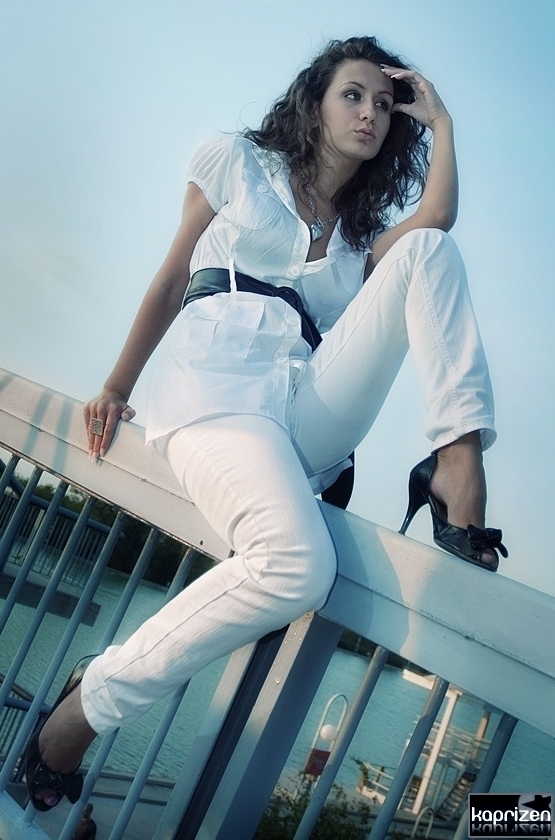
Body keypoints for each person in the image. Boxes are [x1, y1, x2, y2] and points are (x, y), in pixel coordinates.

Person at [24, 35, 507, 810]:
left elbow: (436, 220)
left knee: (429, 253)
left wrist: (441, 122)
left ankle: (455, 463)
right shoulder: (238, 162)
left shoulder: (358, 234)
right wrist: (117, 384)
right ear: (315, 100)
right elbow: (172, 275)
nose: (370, 113)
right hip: (216, 393)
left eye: (384, 105)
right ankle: (88, 704)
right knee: (294, 566)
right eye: (353, 94)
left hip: (303, 407)